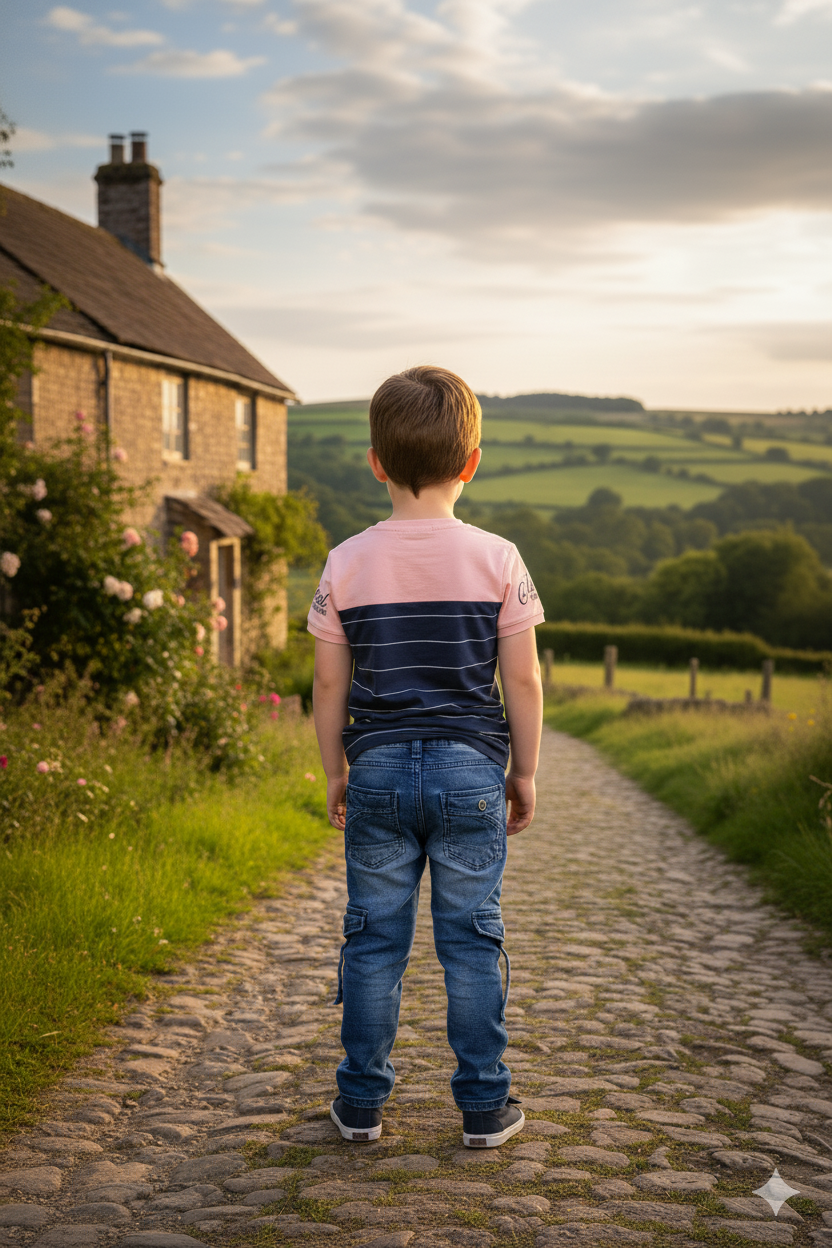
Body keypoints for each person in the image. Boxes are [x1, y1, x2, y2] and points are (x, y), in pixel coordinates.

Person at [308, 365, 544, 1148]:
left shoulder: (345, 561)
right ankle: (484, 1107)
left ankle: (360, 1105)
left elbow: (328, 683)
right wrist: (523, 772)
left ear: (376, 462)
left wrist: (336, 771)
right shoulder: (499, 557)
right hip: (472, 771)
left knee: (374, 941)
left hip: (375, 770)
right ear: (471, 462)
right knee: (471, 941)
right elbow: (522, 679)